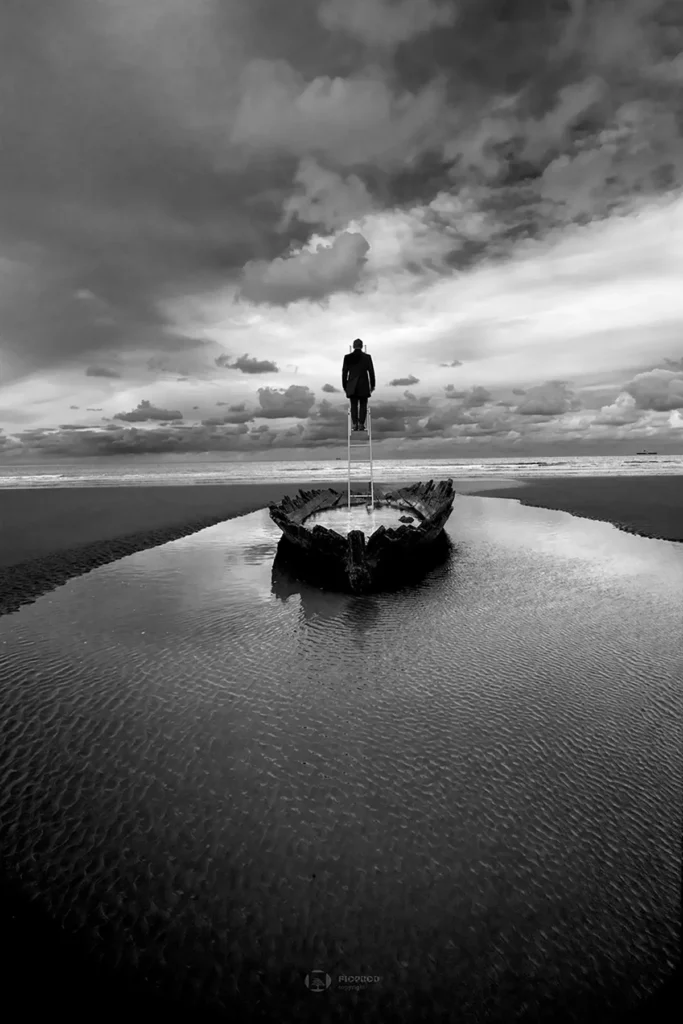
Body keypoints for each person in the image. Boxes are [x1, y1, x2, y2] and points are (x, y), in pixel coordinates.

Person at [342, 338, 375, 431]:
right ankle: (361, 424)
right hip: (363, 384)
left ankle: (355, 424)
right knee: (363, 404)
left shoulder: (347, 357)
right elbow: (371, 372)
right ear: (361, 346)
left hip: (352, 384)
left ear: (353, 346)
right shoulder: (367, 357)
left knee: (353, 405)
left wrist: (345, 386)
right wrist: (372, 385)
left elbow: (344, 373)